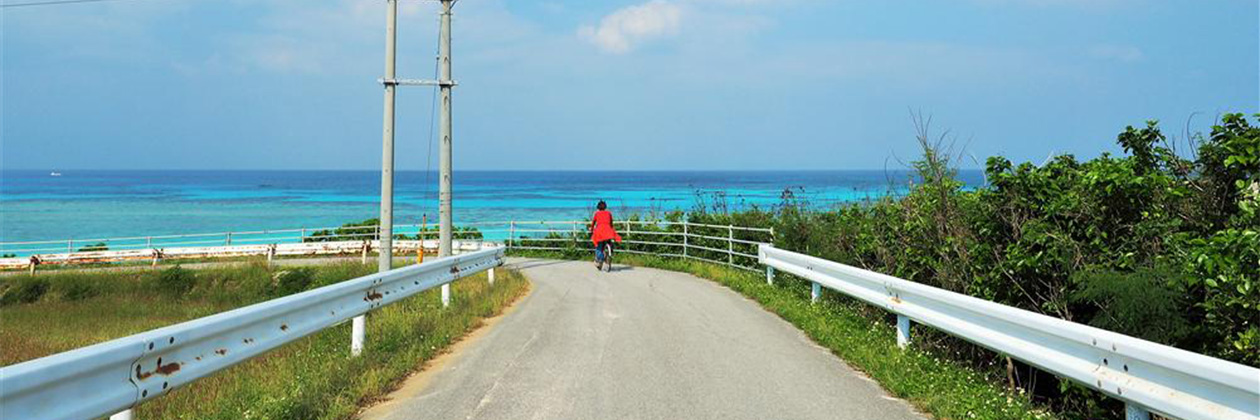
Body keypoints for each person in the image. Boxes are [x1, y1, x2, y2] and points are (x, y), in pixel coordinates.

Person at [590, 200, 622, 270]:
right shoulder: (609, 213)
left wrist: (591, 229)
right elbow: (611, 223)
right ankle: (610, 254)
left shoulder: (597, 214)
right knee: (609, 242)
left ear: (598, 207)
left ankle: (601, 258)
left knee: (599, 246)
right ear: (605, 207)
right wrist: (611, 229)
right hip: (608, 231)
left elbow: (593, 223)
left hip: (600, 231)